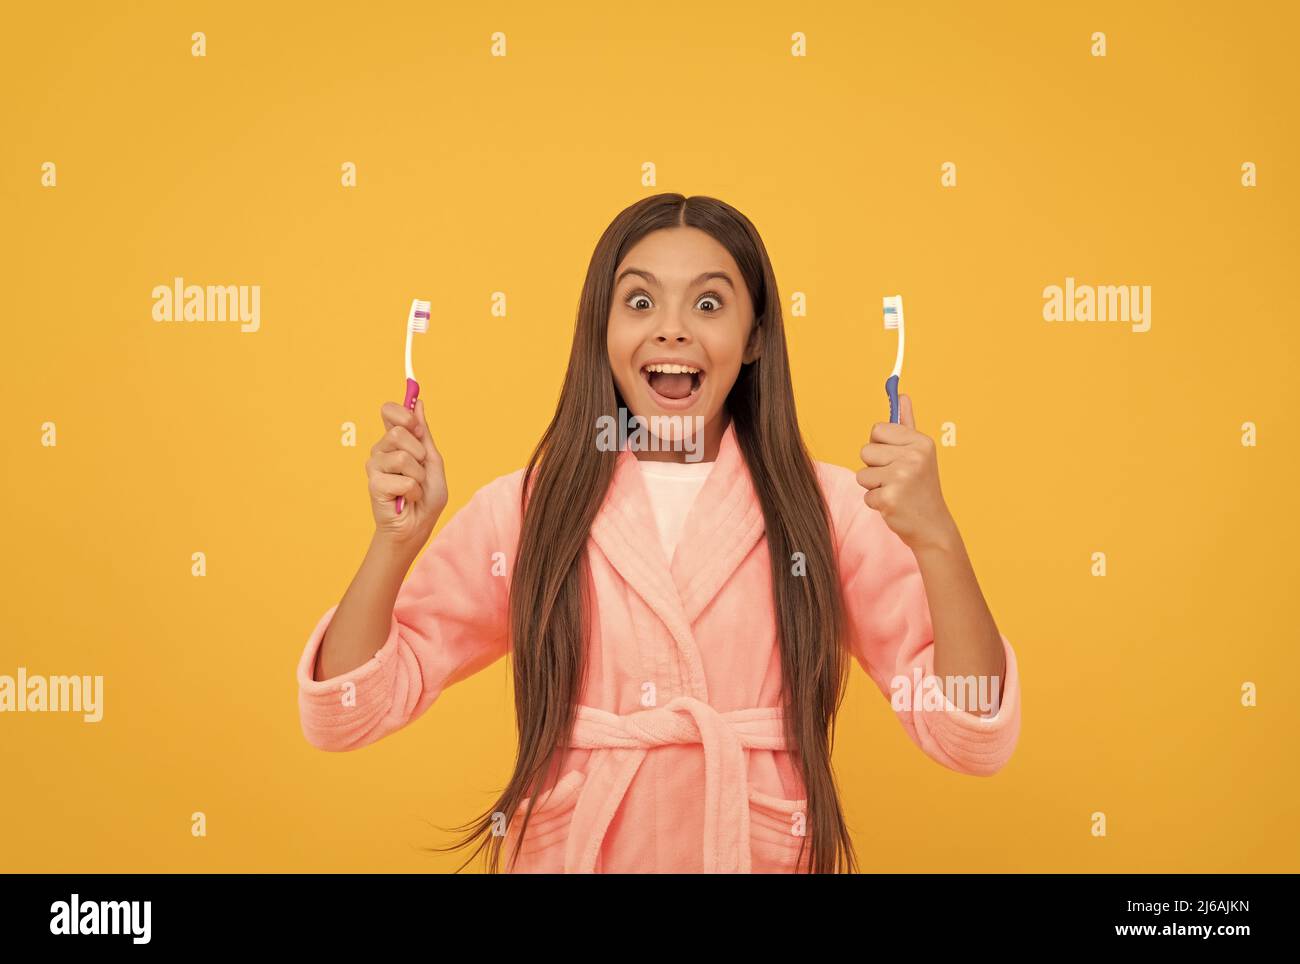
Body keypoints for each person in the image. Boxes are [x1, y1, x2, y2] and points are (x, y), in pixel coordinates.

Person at [296, 193, 1022, 873]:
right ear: (603, 331)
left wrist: (937, 541)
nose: (672, 327)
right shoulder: (527, 511)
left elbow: (970, 730)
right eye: (640, 301)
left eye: (709, 303)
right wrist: (395, 545)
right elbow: (348, 711)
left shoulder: (828, 511)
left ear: (756, 335)